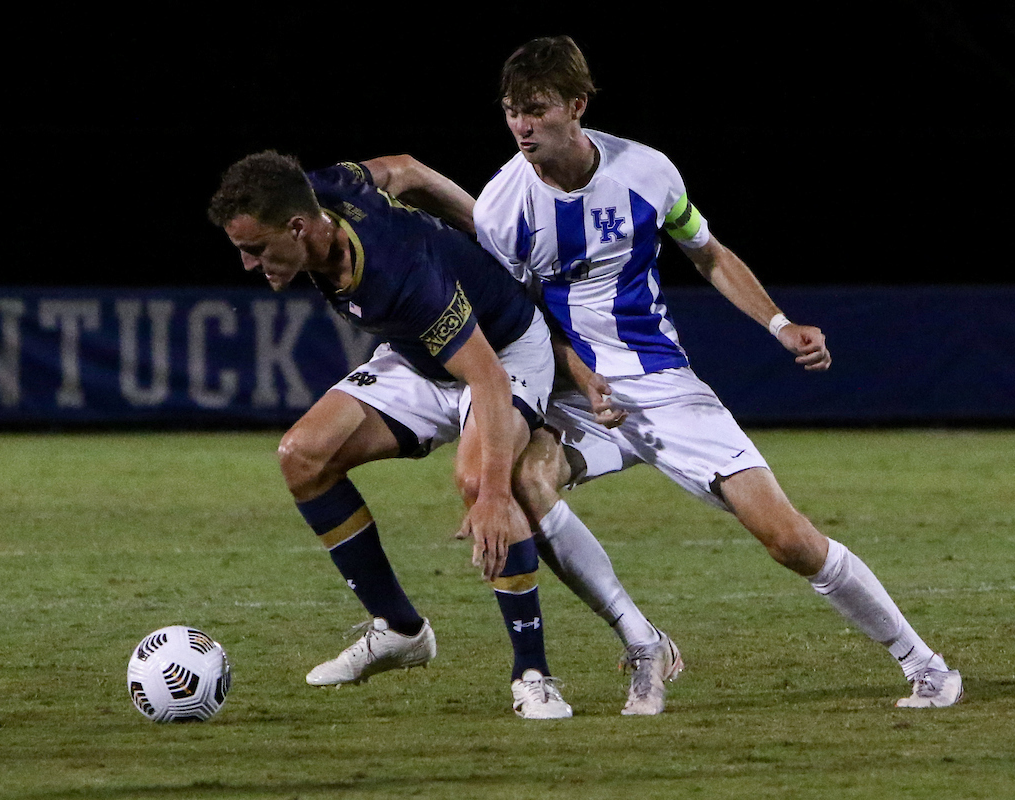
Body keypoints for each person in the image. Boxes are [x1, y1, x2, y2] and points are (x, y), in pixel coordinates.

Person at [468, 35, 962, 709]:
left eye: (536, 108)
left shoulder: (646, 173)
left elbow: (710, 254)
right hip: (575, 391)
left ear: (577, 105)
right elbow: (518, 321)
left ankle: (925, 664)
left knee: (787, 540)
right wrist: (582, 378)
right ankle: (643, 641)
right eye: (510, 110)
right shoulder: (502, 208)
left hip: (662, 383)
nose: (521, 125)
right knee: (527, 479)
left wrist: (780, 325)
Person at [207, 151, 573, 719]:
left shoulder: (398, 271)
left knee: (480, 483)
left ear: (298, 229)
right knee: (302, 456)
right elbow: (405, 169)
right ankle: (400, 629)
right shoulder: (320, 191)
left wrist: (498, 494)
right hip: (420, 356)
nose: (251, 265)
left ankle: (533, 673)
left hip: (503, 354)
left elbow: (487, 377)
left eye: (255, 248)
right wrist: (484, 226)